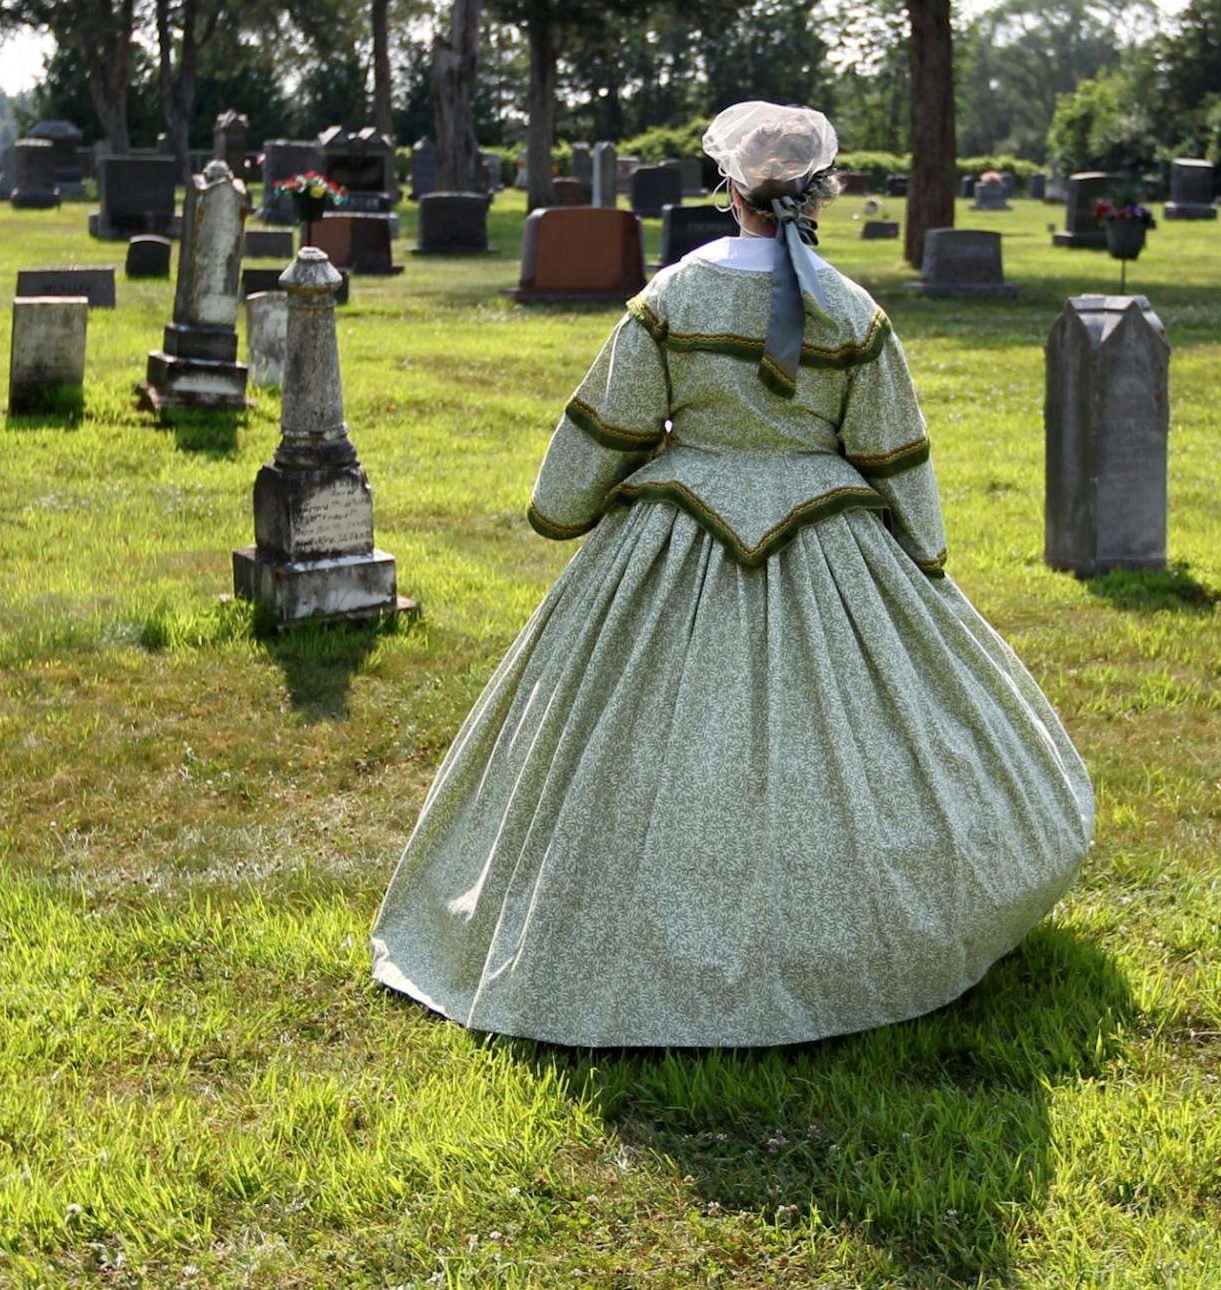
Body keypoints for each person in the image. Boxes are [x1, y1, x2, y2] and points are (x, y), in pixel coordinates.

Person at [370, 102, 1095, 1048]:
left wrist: (567, 507)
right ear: (818, 194)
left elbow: (609, 425)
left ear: (731, 191)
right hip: (834, 545)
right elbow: (892, 451)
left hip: (672, 539)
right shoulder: (852, 310)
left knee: (632, 755)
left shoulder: (673, 298)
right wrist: (921, 559)